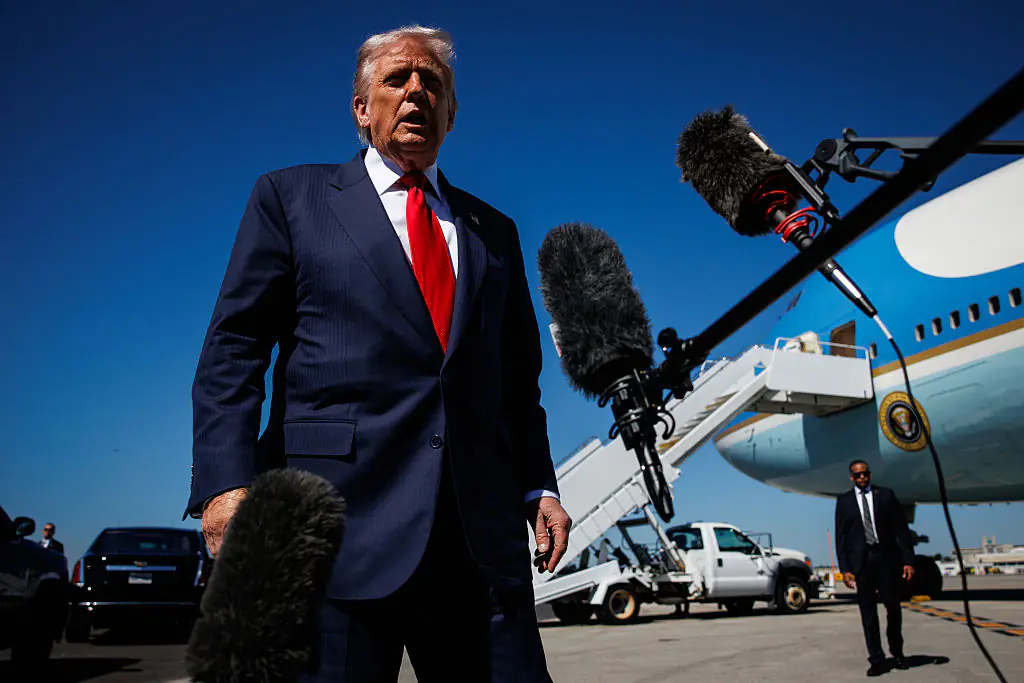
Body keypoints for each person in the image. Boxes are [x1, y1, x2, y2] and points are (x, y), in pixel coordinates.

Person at [185, 25, 571, 682]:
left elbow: (516, 383)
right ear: (363, 109)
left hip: (476, 546)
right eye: (397, 79)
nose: (417, 91)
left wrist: (538, 483)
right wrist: (225, 483)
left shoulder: (493, 231)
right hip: (337, 536)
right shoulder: (291, 200)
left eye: (434, 84)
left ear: (452, 114)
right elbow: (235, 348)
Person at [835, 460, 915, 676]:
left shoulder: (886, 495)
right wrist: (845, 569)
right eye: (858, 475)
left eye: (865, 474)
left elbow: (901, 529)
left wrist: (908, 560)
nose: (862, 478)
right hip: (862, 564)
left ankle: (897, 653)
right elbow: (841, 538)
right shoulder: (844, 501)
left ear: (870, 475)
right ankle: (877, 659)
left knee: (893, 608)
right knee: (868, 615)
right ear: (851, 477)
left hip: (886, 559)